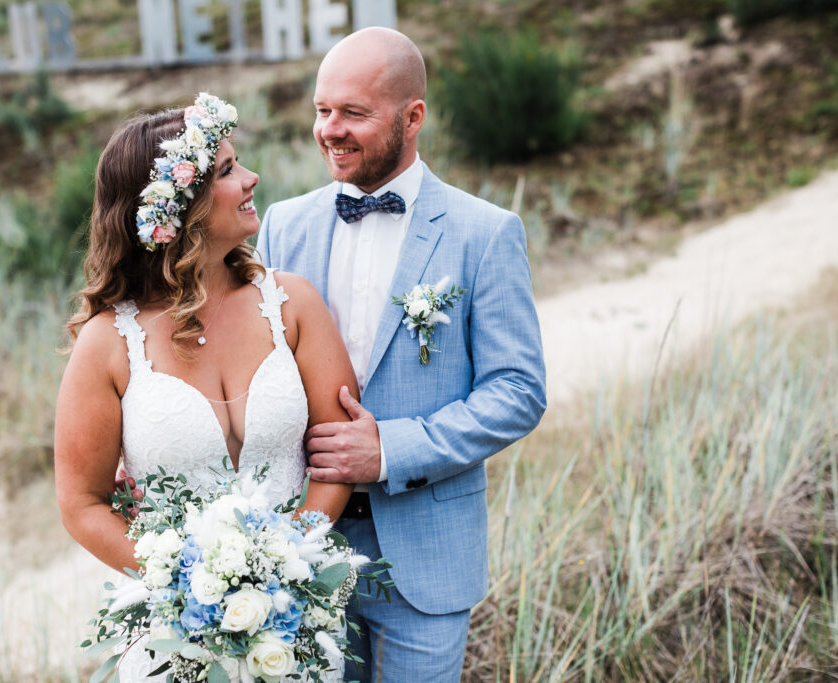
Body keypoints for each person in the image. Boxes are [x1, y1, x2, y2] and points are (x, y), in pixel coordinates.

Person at [255, 28, 547, 681]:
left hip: (427, 551)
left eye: (353, 112)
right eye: (321, 109)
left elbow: (518, 391)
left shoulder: (485, 233)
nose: (329, 129)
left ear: (413, 117)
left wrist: (390, 448)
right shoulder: (283, 224)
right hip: (301, 547)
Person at [53, 94, 359, 681]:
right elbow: (81, 503)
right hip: (175, 633)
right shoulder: (108, 343)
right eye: (226, 171)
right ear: (179, 208)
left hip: (297, 621)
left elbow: (337, 456)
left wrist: (282, 566)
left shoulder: (292, 305)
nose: (251, 178)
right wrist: (187, 588)